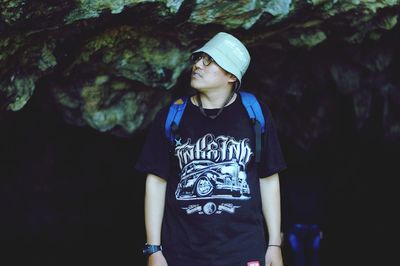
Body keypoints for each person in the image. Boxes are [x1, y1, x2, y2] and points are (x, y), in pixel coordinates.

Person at [136, 32, 287, 266]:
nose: (197, 65)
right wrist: (153, 249)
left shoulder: (255, 114)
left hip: (244, 249)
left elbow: (268, 178)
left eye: (209, 60)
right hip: (182, 252)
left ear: (230, 76)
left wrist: (274, 244)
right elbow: (156, 181)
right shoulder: (172, 116)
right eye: (198, 58)